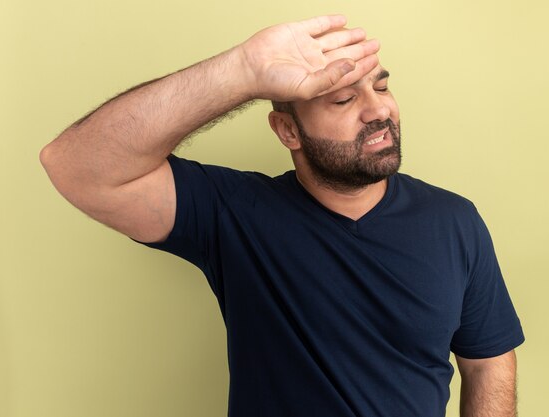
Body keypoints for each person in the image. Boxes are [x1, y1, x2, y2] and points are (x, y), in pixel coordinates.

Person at [40, 15, 524, 417]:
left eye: (381, 87)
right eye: (343, 99)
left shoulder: (455, 220)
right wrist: (242, 71)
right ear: (288, 130)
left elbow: (488, 363)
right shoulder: (235, 213)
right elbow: (76, 165)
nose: (378, 111)